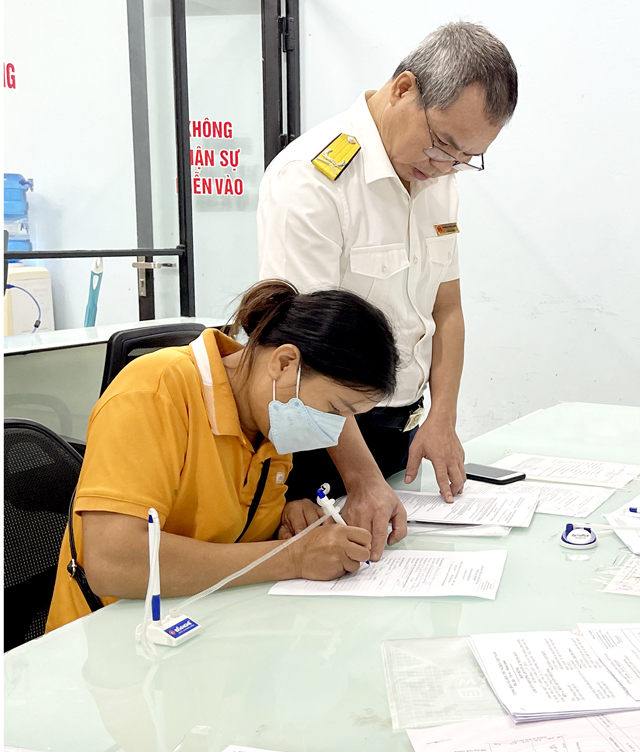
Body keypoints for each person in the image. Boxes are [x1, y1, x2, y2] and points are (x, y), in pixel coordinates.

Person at [257, 22, 518, 562]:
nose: (445, 166)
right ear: (404, 89)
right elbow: (306, 359)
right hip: (319, 447)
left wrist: (441, 418)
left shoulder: (437, 181)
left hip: (398, 431)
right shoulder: (312, 181)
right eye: (443, 144)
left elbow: (446, 310)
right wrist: (362, 478)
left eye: (466, 158)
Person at [44, 280, 400, 632]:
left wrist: (285, 522)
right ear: (285, 362)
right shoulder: (154, 391)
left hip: (199, 625)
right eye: (335, 409)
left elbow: (223, 538)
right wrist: (291, 557)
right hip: (110, 641)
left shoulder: (268, 424)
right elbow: (113, 561)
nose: (335, 431)